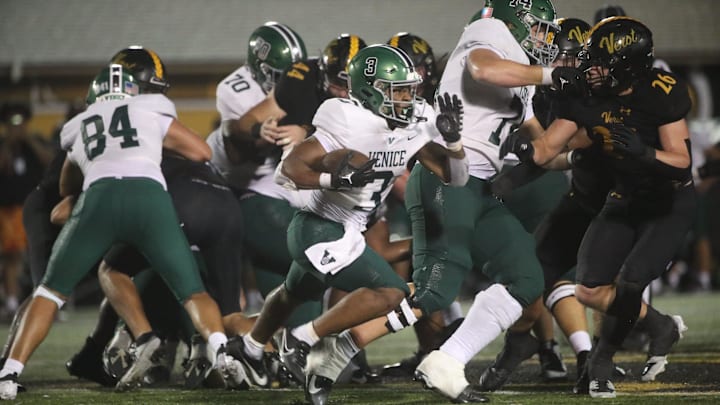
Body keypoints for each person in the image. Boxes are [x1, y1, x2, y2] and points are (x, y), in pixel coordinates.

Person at [301, 1, 583, 403]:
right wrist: (555, 75)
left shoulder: (522, 76)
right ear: (518, 22)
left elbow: (542, 150)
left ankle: (448, 360)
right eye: (538, 28)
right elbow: (484, 69)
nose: (544, 38)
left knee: (526, 277)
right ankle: (339, 345)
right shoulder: (490, 34)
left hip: (481, 187)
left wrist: (579, 153)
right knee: (436, 290)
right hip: (444, 177)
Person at [228, 44, 469, 405]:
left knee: (293, 293)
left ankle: (250, 346)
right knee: (391, 293)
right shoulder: (347, 119)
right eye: (397, 91)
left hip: (349, 229)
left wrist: (454, 142)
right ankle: (300, 339)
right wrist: (335, 180)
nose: (407, 98)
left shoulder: (415, 120)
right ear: (371, 91)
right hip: (319, 226)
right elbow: (289, 170)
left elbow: (458, 177)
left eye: (408, 89)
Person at [0, 64, 243, 400]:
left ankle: (9, 373)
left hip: (98, 199)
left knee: (49, 292)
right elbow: (201, 152)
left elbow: (67, 184)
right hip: (150, 198)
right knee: (192, 293)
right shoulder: (150, 112)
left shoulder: (78, 124)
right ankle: (222, 353)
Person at [500, 17, 694, 398]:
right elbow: (546, 149)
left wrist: (643, 153)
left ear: (628, 65)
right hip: (623, 197)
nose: (592, 70)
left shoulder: (660, 91)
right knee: (587, 289)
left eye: (601, 62)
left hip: (667, 200)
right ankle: (661, 327)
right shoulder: (586, 95)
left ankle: (601, 362)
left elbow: (681, 162)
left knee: (631, 280)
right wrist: (518, 146)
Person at [64, 46, 246, 390]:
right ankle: (261, 349)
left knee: (125, 269)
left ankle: (149, 339)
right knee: (222, 305)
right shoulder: (152, 118)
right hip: (225, 204)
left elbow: (67, 201)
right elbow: (202, 153)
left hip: (175, 203)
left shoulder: (111, 120)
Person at [0, 103, 54, 319]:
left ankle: (43, 303)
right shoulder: (4, 145)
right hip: (8, 211)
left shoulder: (35, 142)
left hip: (33, 208)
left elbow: (50, 161)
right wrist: (8, 144)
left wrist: (27, 140)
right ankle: (12, 303)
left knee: (40, 256)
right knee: (13, 257)